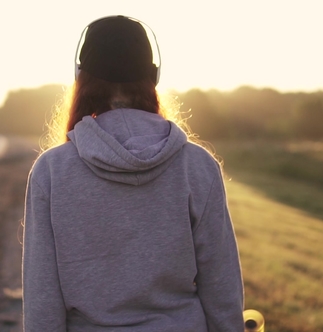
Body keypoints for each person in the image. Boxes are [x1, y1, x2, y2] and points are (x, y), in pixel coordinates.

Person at [22, 15, 244, 332]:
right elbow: (222, 287)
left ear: (80, 77)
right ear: (153, 77)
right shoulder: (197, 165)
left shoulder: (52, 170)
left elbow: (42, 296)